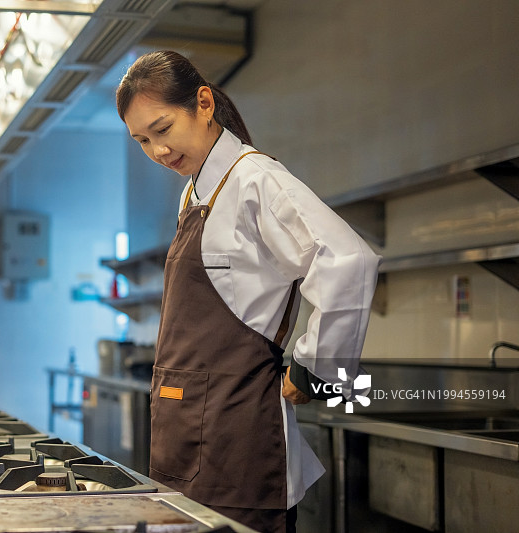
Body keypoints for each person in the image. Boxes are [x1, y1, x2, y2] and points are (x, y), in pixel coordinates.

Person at [116, 50, 380, 533]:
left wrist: (315, 369)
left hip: (237, 442)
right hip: (183, 431)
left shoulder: (255, 179)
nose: (157, 151)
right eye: (142, 141)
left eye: (163, 128)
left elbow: (347, 260)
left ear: (203, 103)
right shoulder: (195, 192)